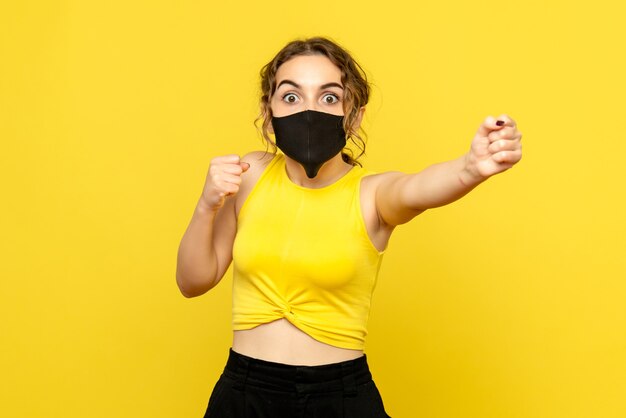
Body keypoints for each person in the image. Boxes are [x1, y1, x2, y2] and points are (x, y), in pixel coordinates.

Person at [176, 36, 522, 418]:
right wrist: (207, 203)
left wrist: (470, 168)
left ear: (353, 116)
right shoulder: (250, 173)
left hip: (338, 398)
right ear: (268, 111)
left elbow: (417, 187)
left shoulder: (371, 195)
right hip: (244, 394)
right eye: (291, 97)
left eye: (328, 98)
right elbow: (193, 281)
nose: (309, 110)